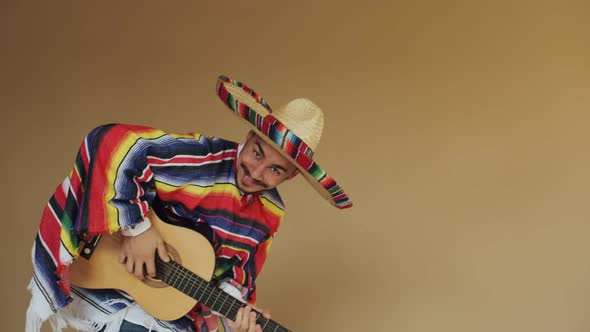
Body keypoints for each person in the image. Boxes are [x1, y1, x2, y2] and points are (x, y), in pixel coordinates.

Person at [26, 75, 353, 332]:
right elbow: (110, 141)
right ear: (250, 137)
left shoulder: (270, 214)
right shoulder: (198, 155)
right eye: (257, 153)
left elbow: (232, 276)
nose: (256, 172)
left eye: (276, 169)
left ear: (291, 177)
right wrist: (137, 229)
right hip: (110, 287)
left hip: (168, 313)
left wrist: (238, 311)